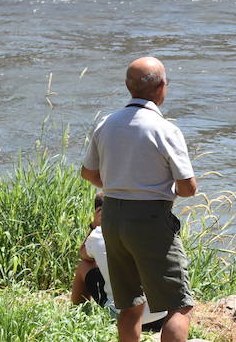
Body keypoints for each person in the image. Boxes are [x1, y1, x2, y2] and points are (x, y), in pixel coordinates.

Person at [80, 57, 198, 342]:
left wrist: (120, 186)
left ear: (127, 87)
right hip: (150, 220)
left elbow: (88, 172)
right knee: (178, 305)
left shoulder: (106, 124)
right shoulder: (165, 129)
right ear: (161, 87)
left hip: (112, 218)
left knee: (130, 303)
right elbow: (188, 187)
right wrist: (160, 192)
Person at [71, 193, 170, 334]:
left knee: (84, 266)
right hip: (162, 317)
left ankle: (78, 313)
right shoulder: (147, 227)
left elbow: (84, 254)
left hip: (126, 320)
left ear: (100, 211)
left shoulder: (98, 234)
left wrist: (94, 225)